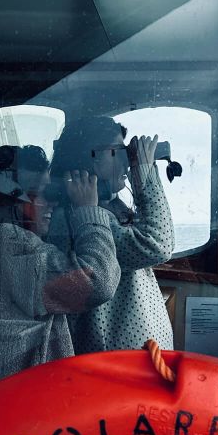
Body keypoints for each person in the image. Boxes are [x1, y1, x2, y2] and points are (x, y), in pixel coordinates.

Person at [0, 145, 119, 396]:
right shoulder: (12, 244)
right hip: (24, 407)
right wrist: (88, 211)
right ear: (10, 200)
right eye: (40, 193)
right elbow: (99, 279)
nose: (51, 202)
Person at [47, 117, 175, 353]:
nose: (127, 163)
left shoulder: (107, 208)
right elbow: (157, 243)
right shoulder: (83, 216)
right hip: (116, 360)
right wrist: (143, 171)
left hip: (131, 357)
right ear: (90, 157)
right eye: (119, 151)